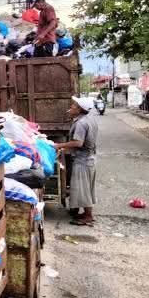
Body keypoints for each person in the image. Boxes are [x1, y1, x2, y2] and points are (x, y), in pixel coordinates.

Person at [54, 97, 98, 226]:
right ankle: (84, 213)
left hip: (83, 160)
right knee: (86, 188)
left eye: (74, 105)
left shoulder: (81, 123)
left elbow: (78, 143)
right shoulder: (89, 119)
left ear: (79, 109)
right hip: (89, 158)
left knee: (83, 188)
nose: (71, 107)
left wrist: (59, 145)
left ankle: (88, 216)